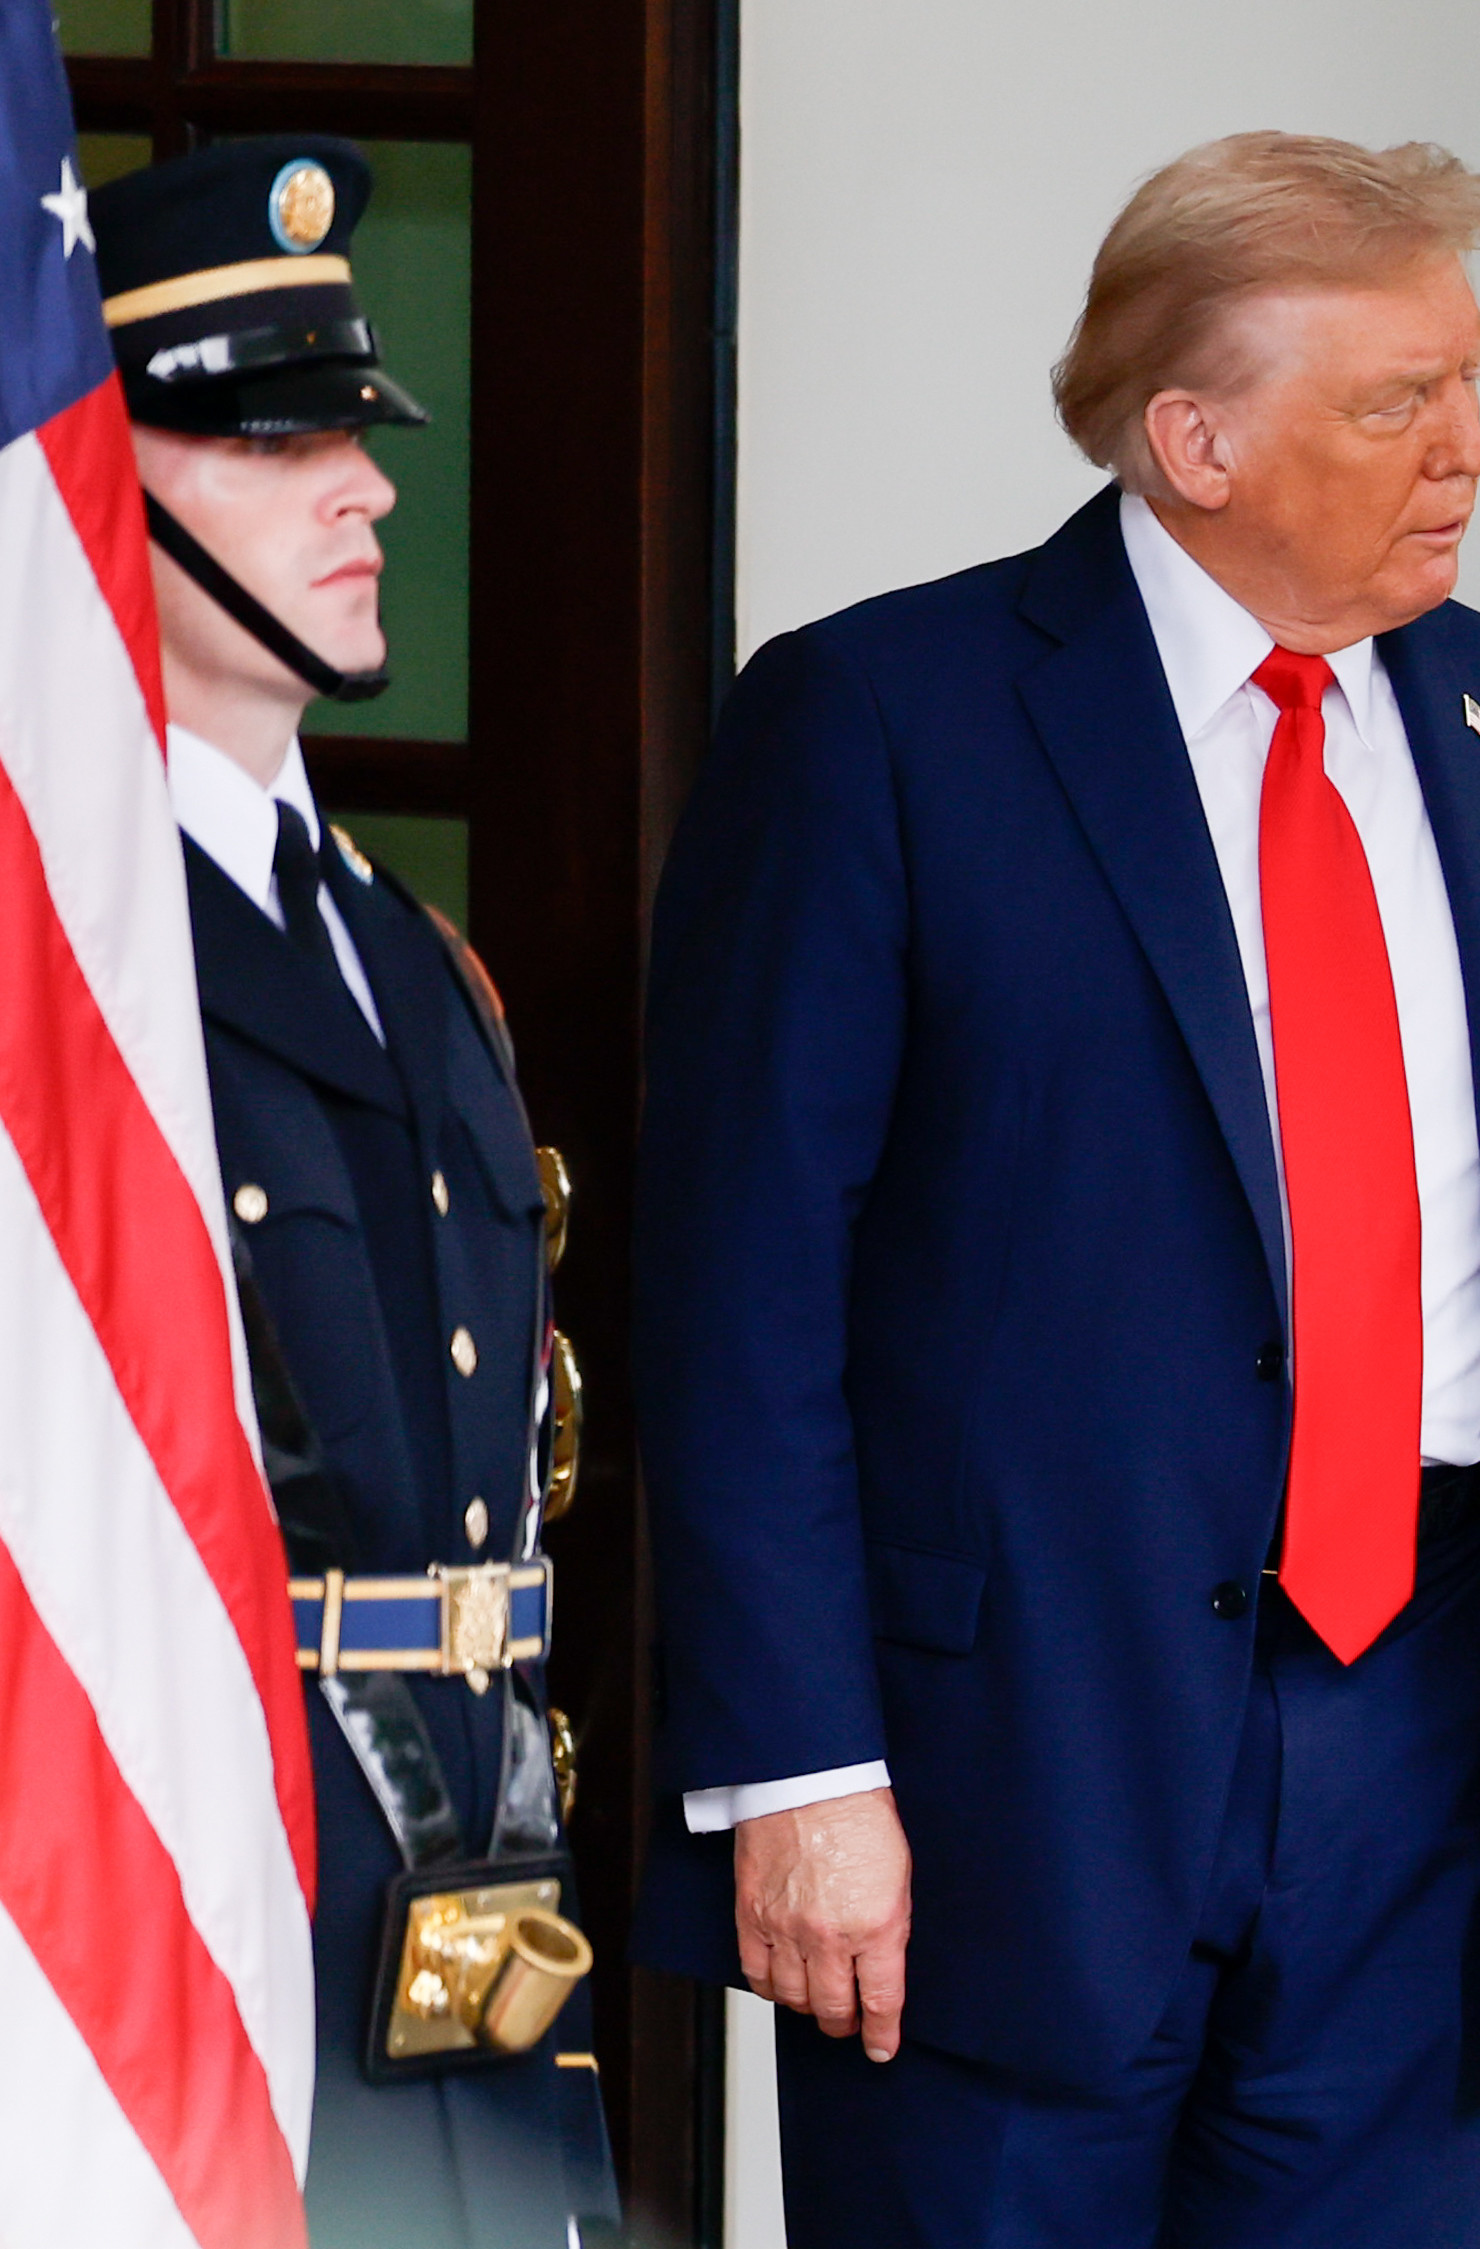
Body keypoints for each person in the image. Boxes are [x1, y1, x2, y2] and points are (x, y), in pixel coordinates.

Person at [634, 131, 1480, 2245]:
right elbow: (738, 1287)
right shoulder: (880, 721)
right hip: (1004, 1768)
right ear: (1194, 440)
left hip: (1434, 1730)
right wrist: (798, 1769)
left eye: (1473, 381)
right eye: (1404, 399)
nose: (1473, 447)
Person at [93, 136, 621, 2246]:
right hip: (188, 1866)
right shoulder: (68, 975)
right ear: (86, 495)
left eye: (356, 433)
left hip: (464, 1855)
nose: (367, 491)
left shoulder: (411, 957)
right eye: (272, 440)